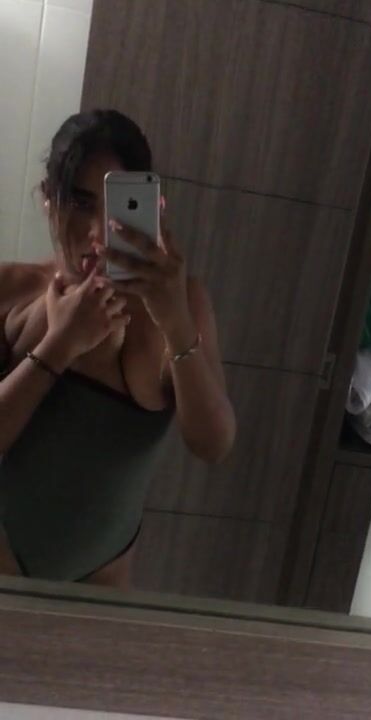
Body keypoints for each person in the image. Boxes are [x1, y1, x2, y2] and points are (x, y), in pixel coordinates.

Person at [0, 109, 236, 589]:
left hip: (103, 579)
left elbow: (214, 444)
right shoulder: (11, 290)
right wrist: (59, 345)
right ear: (48, 198)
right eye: (79, 202)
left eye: (117, 209)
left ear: (152, 208)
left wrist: (175, 322)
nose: (96, 231)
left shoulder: (182, 302)